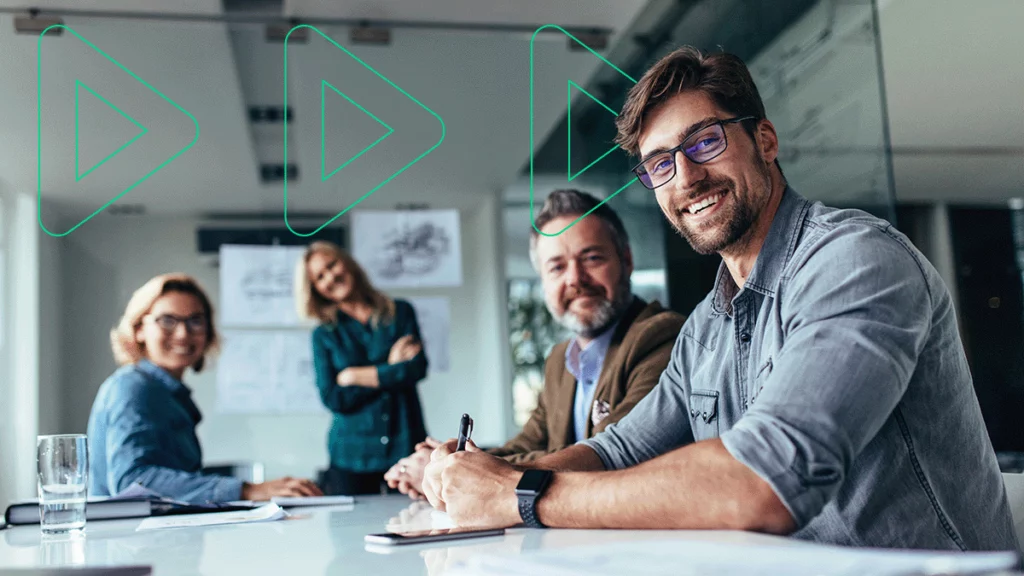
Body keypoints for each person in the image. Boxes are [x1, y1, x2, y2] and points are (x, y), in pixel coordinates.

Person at [421, 46, 1021, 552]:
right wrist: (484, 477)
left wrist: (522, 495)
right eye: (659, 164)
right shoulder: (707, 326)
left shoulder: (854, 260)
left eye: (704, 142)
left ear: (765, 139)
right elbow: (618, 450)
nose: (685, 177)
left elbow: (764, 482)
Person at [383, 189, 685, 499]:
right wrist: (451, 463)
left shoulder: (660, 336)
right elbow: (528, 444)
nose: (575, 278)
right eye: (557, 267)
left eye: (592, 258)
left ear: (627, 260)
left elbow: (609, 454)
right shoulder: (560, 359)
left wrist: (458, 472)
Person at [88, 273, 322, 503]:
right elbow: (132, 482)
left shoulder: (168, 394)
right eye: (167, 320)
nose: (183, 333)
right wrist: (245, 490)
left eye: (196, 321)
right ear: (139, 328)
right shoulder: (133, 388)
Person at [296, 241, 429, 495]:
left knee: (416, 517)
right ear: (315, 289)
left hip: (405, 445)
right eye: (319, 277)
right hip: (351, 456)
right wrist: (391, 367)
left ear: (346, 262)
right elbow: (334, 397)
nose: (330, 277)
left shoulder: (400, 312)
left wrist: (355, 376)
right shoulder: (324, 334)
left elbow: (416, 369)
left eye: (331, 265)